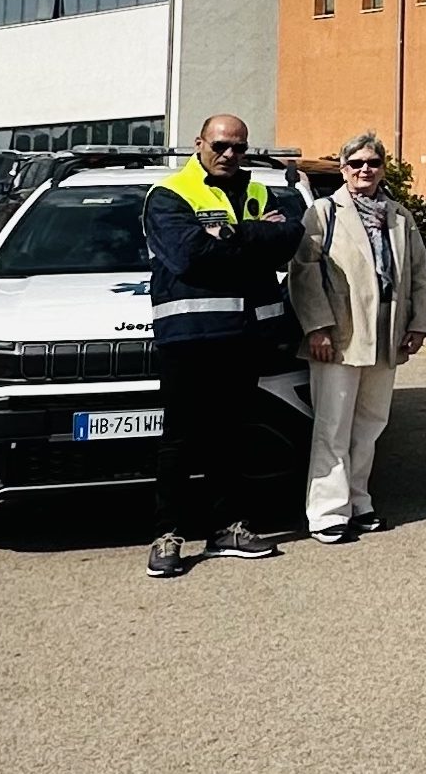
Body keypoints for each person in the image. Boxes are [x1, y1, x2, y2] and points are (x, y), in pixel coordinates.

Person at [142, 114, 304, 579]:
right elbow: (189, 258)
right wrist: (254, 237)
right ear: (200, 143)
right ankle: (167, 534)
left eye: (239, 147)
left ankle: (227, 529)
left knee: (231, 436)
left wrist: (229, 234)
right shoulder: (170, 193)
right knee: (180, 440)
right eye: (221, 145)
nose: (230, 154)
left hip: (245, 335)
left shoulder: (257, 191)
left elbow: (288, 239)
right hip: (190, 336)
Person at [289, 132, 426, 544]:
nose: (364, 170)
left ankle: (359, 500)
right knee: (333, 425)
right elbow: (304, 272)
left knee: (370, 423)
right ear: (343, 169)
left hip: (385, 332)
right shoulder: (323, 212)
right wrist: (317, 327)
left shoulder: (400, 216)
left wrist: (417, 323)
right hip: (340, 332)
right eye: (356, 164)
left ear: (383, 168)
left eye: (372, 163)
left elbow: (419, 275)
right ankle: (327, 511)